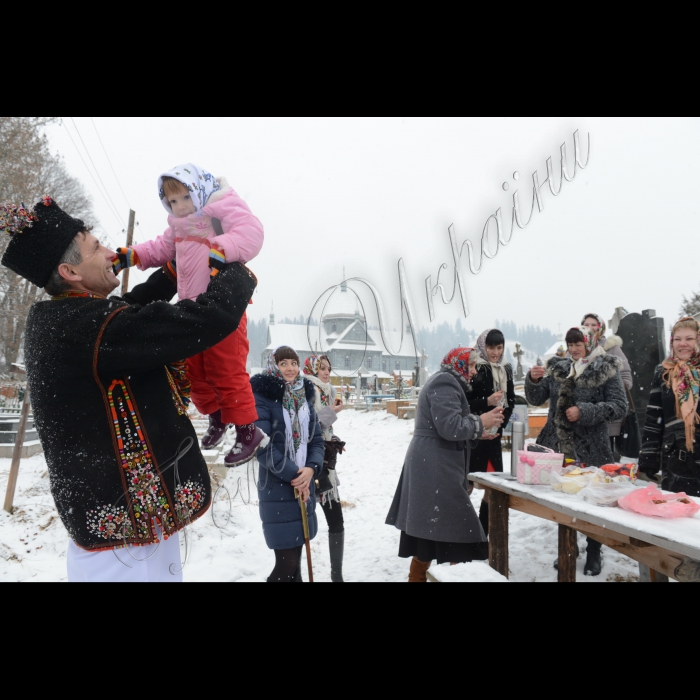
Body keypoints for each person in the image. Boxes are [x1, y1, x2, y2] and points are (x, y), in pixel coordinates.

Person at [0, 197, 256, 582]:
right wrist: (232, 262)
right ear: (69, 271)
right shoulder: (86, 327)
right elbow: (202, 320)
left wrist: (176, 268)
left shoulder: (61, 319)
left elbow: (131, 308)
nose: (110, 253)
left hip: (128, 526)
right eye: (95, 247)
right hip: (122, 547)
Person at [115, 164, 266, 466]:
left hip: (222, 310)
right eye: (172, 202)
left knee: (225, 370)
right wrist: (133, 255)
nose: (180, 207)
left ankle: (249, 431)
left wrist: (224, 247)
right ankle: (217, 418)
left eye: (185, 197)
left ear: (198, 190)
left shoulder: (218, 208)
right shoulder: (178, 226)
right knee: (196, 372)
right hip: (192, 311)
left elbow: (252, 232)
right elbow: (160, 248)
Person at [386, 348, 505, 583]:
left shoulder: (448, 383)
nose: (473, 372)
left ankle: (419, 578)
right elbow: (449, 427)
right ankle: (451, 576)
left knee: (431, 535)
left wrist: (478, 432)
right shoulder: (445, 382)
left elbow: (450, 425)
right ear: (458, 364)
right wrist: (480, 421)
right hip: (435, 466)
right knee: (459, 532)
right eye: (470, 366)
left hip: (434, 464)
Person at [526, 327, 628, 576]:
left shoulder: (605, 368)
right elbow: (537, 398)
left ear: (590, 342)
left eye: (578, 343)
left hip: (592, 448)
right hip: (560, 448)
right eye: (570, 343)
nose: (573, 349)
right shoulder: (559, 367)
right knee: (563, 502)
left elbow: (619, 406)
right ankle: (567, 548)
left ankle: (594, 551)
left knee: (593, 503)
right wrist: (534, 380)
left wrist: (585, 411)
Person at [251, 347, 325, 583]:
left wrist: (312, 468)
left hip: (304, 485)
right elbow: (261, 446)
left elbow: (315, 439)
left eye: (293, 362)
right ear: (274, 366)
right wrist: (298, 476)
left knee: (296, 568)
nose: (290, 368)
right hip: (278, 486)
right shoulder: (262, 397)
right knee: (286, 564)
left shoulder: (304, 395)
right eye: (284, 363)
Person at [639, 317, 700, 495]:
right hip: (676, 459)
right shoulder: (663, 372)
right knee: (678, 517)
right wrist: (648, 458)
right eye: (678, 339)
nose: (683, 344)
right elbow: (654, 417)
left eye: (689, 339)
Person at [303, 356, 347, 583]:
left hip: (326, 468)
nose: (326, 372)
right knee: (303, 526)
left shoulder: (326, 391)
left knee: (336, 521)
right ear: (312, 369)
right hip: (309, 466)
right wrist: (331, 412)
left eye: (329, 368)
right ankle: (295, 574)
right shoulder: (306, 390)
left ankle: (336, 576)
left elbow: (323, 426)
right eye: (321, 368)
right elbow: (309, 427)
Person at [468, 329, 516, 534]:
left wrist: (499, 426)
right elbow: (465, 403)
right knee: (466, 486)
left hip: (493, 437)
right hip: (473, 436)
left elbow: (511, 400)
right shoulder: (474, 368)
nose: (495, 352)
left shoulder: (506, 368)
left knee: (492, 487)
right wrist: (486, 404)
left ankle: (481, 534)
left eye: (499, 347)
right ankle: (461, 534)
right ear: (482, 346)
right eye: (490, 347)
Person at [582, 313, 634, 455]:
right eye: (586, 325)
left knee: (606, 457)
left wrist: (615, 389)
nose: (590, 328)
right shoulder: (576, 349)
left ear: (600, 328)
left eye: (594, 325)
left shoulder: (612, 349)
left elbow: (626, 375)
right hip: (582, 414)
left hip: (607, 415)